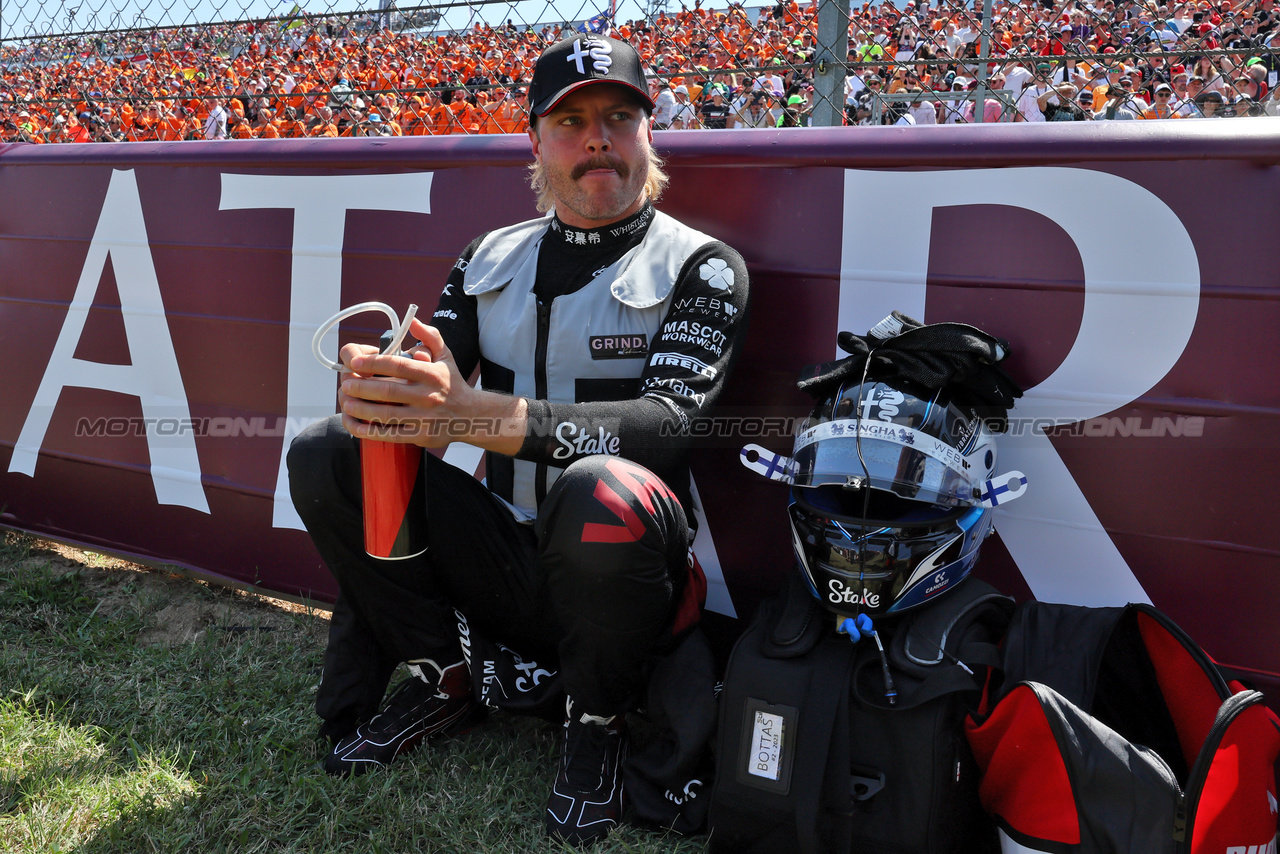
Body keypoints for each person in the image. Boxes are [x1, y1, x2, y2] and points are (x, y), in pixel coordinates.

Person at [286, 34, 750, 846]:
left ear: (650, 133)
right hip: (505, 558)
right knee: (332, 449)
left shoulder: (704, 267)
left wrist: (474, 417)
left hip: (628, 575)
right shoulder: (487, 256)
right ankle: (446, 677)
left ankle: (597, 719)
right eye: (570, 121)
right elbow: (419, 411)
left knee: (602, 486)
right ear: (534, 141)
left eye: (617, 116)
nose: (596, 137)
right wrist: (385, 390)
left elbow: (666, 431)